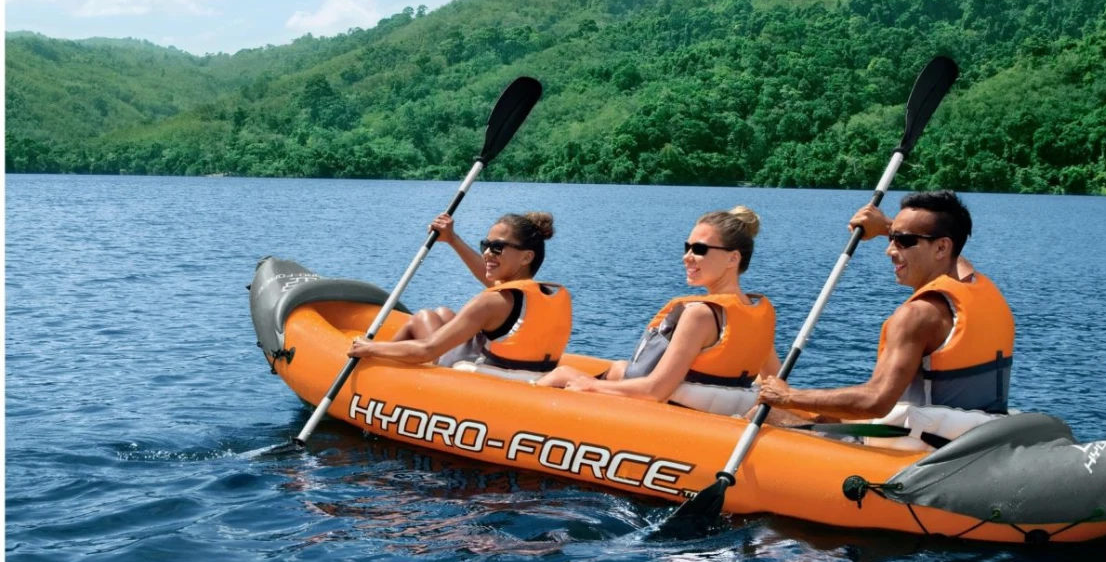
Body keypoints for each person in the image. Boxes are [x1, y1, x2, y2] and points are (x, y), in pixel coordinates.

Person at [757, 190, 1014, 420]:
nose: (889, 250)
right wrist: (888, 227)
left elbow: (875, 401)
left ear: (941, 248)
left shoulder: (916, 316)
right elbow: (953, 251)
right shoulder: (981, 288)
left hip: (922, 444)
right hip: (976, 434)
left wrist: (789, 396)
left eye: (903, 241)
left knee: (769, 413)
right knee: (824, 417)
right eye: (892, 237)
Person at [537, 206, 777, 404]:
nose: (687, 257)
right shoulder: (756, 313)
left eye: (699, 249)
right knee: (619, 368)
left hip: (670, 413)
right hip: (717, 411)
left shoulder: (701, 315)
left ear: (733, 258)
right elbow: (774, 380)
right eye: (687, 247)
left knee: (562, 374)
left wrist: (589, 385)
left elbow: (654, 390)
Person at [348, 211, 571, 373]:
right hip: (524, 375)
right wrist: (452, 239)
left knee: (423, 317)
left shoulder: (492, 302)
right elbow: (489, 278)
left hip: (485, 380)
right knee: (443, 313)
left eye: (497, 247)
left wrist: (371, 347)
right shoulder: (542, 294)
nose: (487, 253)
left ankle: (377, 372)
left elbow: (427, 350)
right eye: (485, 245)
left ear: (526, 257)